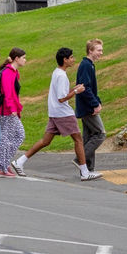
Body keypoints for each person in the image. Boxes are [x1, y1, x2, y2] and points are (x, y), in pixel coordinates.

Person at [14, 47, 100, 181]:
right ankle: (84, 172)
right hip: (63, 113)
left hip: (55, 112)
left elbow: (62, 93)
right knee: (78, 140)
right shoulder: (61, 76)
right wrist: (76, 92)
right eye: (71, 57)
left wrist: (74, 89)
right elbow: (61, 98)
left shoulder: (57, 72)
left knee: (45, 141)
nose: (73, 60)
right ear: (65, 60)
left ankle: (20, 161)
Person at [0, 48, 27, 177]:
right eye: (23, 57)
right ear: (16, 58)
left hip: (10, 110)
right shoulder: (8, 72)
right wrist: (12, 108)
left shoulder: (14, 72)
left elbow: (14, 93)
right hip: (5, 111)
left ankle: (3, 163)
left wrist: (17, 109)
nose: (25, 60)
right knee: (9, 137)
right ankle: (0, 167)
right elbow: (7, 92)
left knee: (17, 135)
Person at [75, 38, 104, 172]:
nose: (101, 53)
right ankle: (80, 159)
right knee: (100, 133)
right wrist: (94, 104)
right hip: (87, 107)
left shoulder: (89, 64)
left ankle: (87, 169)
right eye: (98, 50)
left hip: (86, 106)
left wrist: (98, 101)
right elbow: (85, 87)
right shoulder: (86, 65)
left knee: (89, 136)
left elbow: (90, 87)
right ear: (90, 51)